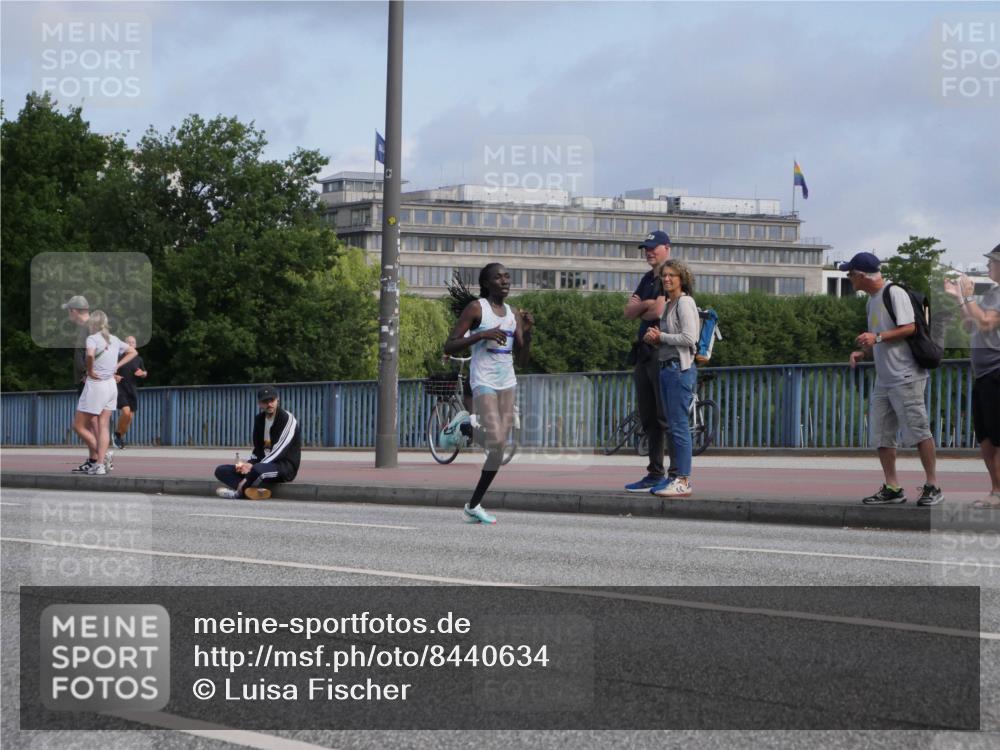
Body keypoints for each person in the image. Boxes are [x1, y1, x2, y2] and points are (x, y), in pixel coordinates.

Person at [844, 252, 944, 506]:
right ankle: (893, 487)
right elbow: (878, 335)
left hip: (906, 375)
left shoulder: (894, 293)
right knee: (881, 435)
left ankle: (933, 485)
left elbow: (909, 327)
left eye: (850, 274)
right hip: (884, 378)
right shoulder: (871, 301)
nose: (848, 279)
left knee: (919, 430)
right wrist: (864, 350)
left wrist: (876, 338)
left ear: (861, 275)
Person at [442, 264, 533, 524]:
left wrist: (528, 333)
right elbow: (449, 345)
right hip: (483, 380)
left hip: (508, 381)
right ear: (487, 283)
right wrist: (481, 334)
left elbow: (524, 359)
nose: (505, 280)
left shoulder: (513, 313)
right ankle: (464, 427)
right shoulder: (476, 308)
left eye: (507, 276)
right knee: (494, 436)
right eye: (498, 277)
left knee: (498, 449)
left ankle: (473, 505)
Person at [944, 243, 1000, 507]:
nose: (988, 265)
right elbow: (973, 321)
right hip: (985, 373)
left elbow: (987, 322)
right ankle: (996, 491)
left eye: (992, 261)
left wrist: (967, 296)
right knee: (986, 438)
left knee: (996, 437)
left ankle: (998, 493)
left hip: (996, 373)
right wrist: (959, 297)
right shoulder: (992, 293)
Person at [643, 259, 700, 498]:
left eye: (672, 275)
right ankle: (677, 478)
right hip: (667, 368)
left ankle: (683, 480)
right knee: (674, 426)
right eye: (664, 275)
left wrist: (662, 337)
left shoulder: (685, 303)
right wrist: (654, 338)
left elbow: (689, 338)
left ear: (682, 279)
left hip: (680, 369)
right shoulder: (669, 304)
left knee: (679, 427)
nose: (667, 279)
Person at [623, 230, 671, 492]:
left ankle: (673, 475)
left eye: (653, 248)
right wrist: (646, 306)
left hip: (662, 351)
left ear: (667, 248)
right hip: (643, 353)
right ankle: (654, 472)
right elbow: (628, 311)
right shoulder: (646, 278)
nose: (649, 252)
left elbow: (658, 310)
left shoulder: (671, 275)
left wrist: (644, 306)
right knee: (649, 416)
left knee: (665, 416)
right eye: (646, 248)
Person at [73, 311, 138, 475]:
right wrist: (116, 366)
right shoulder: (114, 339)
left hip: (96, 384)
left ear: (93, 324)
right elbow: (134, 352)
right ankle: (100, 465)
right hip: (111, 386)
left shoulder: (92, 338)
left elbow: (89, 355)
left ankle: (99, 455)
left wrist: (89, 370)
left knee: (79, 426)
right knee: (103, 425)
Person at [214, 386, 301, 500]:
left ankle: (239, 492)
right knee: (221, 470)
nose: (269, 404)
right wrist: (248, 464)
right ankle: (252, 491)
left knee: (258, 469)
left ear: (277, 400)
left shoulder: (287, 419)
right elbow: (258, 448)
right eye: (265, 401)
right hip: (260, 466)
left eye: (272, 400)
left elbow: (278, 451)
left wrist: (253, 467)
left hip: (283, 468)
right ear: (259, 404)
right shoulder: (259, 419)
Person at [62, 295, 97, 473]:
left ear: (74, 311)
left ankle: (100, 456)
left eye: (68, 310)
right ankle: (94, 459)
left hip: (89, 381)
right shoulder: (88, 326)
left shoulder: (89, 327)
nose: (68, 314)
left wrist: (87, 373)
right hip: (89, 380)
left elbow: (96, 352)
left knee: (87, 423)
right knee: (91, 422)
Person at [113, 336, 147, 449]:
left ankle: (119, 437)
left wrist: (142, 373)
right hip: (120, 388)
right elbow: (110, 371)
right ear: (125, 345)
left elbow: (144, 373)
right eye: (128, 342)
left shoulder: (138, 359)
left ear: (136, 345)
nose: (131, 344)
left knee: (130, 418)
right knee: (126, 412)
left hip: (132, 389)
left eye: (133, 342)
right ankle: (117, 436)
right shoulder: (118, 357)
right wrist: (115, 376)